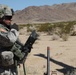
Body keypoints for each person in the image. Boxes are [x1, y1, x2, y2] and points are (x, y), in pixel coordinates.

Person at [0, 4, 27, 75]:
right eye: (8, 17)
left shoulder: (5, 28)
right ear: (1, 17)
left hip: (9, 68)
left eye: (11, 17)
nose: (10, 20)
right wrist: (14, 30)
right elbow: (10, 39)